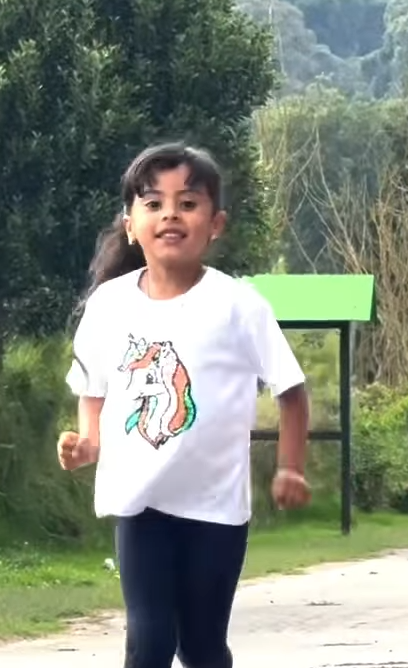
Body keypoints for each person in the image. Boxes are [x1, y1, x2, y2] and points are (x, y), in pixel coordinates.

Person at [56, 143, 312, 668]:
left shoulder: (239, 306)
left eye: (187, 203)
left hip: (215, 510)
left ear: (215, 224)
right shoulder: (110, 305)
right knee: (147, 641)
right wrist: (88, 443)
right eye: (153, 203)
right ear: (131, 224)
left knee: (200, 646)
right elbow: (94, 386)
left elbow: (291, 391)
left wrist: (290, 467)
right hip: (140, 503)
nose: (170, 214)